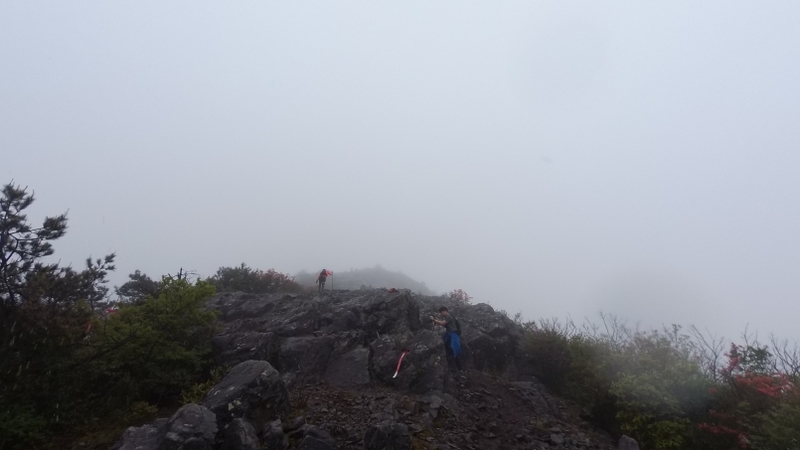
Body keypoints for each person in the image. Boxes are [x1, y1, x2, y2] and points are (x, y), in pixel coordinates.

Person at [430, 306, 463, 371]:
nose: (441, 314)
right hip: (449, 335)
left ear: (445, 311)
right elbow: (443, 324)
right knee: (447, 348)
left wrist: (433, 320)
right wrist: (437, 320)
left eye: (441, 312)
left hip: (453, 335)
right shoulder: (448, 317)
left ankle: (460, 369)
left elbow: (442, 323)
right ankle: (452, 365)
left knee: (455, 350)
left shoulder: (449, 317)